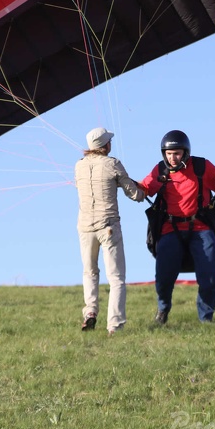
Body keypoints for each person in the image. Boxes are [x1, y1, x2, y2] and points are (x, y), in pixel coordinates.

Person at [141, 129, 215, 325]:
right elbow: (144, 189)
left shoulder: (201, 166)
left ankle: (206, 318)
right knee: (164, 275)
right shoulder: (161, 171)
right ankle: (163, 308)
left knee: (210, 274)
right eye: (168, 154)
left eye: (176, 153)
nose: (172, 158)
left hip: (200, 228)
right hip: (170, 228)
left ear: (185, 152)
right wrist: (122, 182)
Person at [75, 127, 145, 335]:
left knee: (90, 272)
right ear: (105, 145)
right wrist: (142, 189)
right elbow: (135, 195)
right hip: (108, 226)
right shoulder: (113, 164)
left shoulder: (78, 166)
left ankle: (90, 312)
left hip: (85, 227)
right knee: (116, 277)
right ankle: (114, 325)